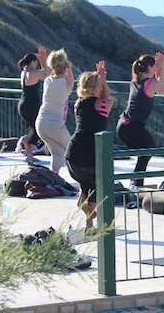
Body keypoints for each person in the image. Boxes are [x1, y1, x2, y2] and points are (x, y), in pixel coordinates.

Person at [65, 61, 113, 233]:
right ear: (97, 87)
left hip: (73, 152)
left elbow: (95, 96)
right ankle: (88, 214)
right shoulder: (102, 105)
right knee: (93, 187)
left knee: (86, 186)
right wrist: (103, 81)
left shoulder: (78, 104)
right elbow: (109, 99)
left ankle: (89, 224)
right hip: (91, 153)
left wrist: (98, 79)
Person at [116, 52, 164, 188]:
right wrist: (163, 67)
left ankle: (136, 182)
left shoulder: (135, 81)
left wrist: (158, 69)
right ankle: (136, 184)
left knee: (143, 153)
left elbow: (155, 84)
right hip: (134, 127)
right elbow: (162, 89)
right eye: (154, 66)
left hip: (122, 126)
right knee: (148, 150)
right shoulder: (150, 83)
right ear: (150, 68)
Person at [36, 49, 74, 174]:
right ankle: (82, 179)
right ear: (65, 66)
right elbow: (70, 79)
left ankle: (54, 177)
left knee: (57, 153)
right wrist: (69, 68)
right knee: (72, 149)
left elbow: (50, 73)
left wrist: (44, 61)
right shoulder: (67, 84)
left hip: (41, 122)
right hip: (54, 123)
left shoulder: (48, 81)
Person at [17, 46, 50, 162]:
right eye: (36, 62)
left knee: (34, 127)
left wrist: (41, 60)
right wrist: (43, 60)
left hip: (22, 103)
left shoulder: (24, 72)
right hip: (31, 104)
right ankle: (28, 148)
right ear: (33, 62)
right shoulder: (33, 73)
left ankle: (28, 149)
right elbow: (47, 73)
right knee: (38, 128)